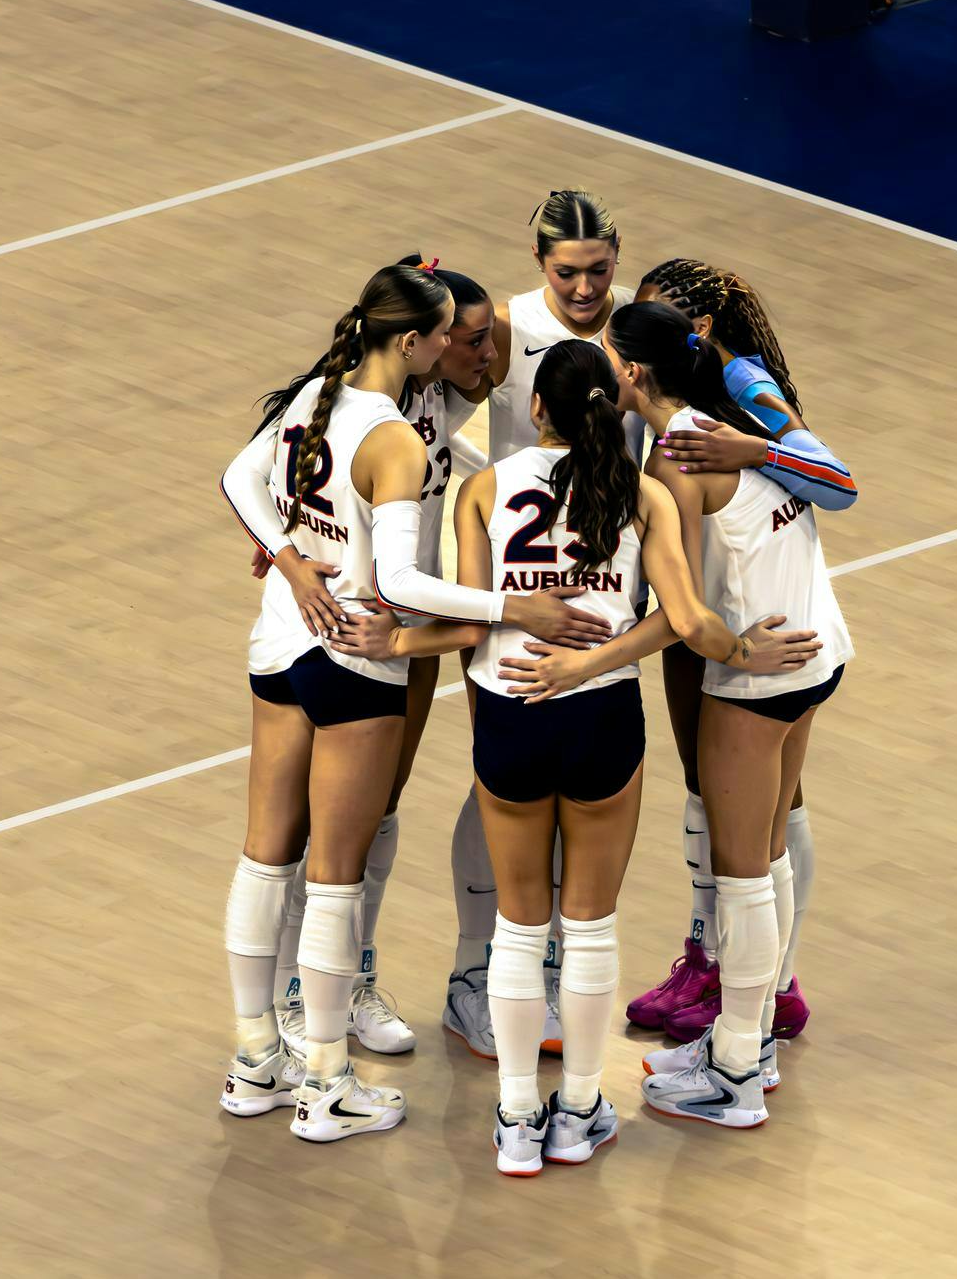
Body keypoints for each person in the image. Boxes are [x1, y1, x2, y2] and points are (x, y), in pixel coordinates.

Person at [335, 341, 821, 1170]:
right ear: (612, 408)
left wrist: (400, 639)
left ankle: (518, 1118)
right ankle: (582, 1110)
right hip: (602, 715)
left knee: (520, 927)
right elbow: (681, 619)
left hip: (509, 709)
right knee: (590, 926)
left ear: (537, 409)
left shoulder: (485, 489)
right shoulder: (643, 493)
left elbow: (474, 620)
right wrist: (726, 653)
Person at [215, 262, 607, 1141]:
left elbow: (239, 477)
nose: (469, 352)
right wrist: (512, 607)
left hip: (280, 641)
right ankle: (326, 1083)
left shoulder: (316, 394)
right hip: (360, 652)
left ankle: (254, 1061)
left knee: (263, 859)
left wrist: (288, 561)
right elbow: (395, 581)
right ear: (412, 339)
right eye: (449, 337)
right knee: (333, 876)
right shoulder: (392, 436)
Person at [500, 301, 853, 1127]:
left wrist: (589, 659)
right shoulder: (737, 414)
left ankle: (735, 1074)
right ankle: (750, 1042)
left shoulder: (676, 460)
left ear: (630, 372)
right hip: (818, 648)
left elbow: (684, 614)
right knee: (768, 858)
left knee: (742, 874)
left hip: (759, 672)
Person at [255, 259, 498, 1059]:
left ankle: (351, 978)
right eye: (467, 338)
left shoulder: (443, 395)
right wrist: (287, 551)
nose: (484, 354)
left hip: (411, 633)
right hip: (354, 631)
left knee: (378, 810)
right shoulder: (354, 402)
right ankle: (297, 993)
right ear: (419, 337)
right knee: (316, 830)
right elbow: (249, 473)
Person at [624, 260, 857, 1047]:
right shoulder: (675, 406)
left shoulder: (742, 385)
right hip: (725, 615)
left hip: (745, 632)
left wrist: (756, 449)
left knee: (758, 828)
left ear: (698, 330)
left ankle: (756, 997)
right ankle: (713, 959)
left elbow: (838, 483)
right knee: (713, 798)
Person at [445, 189, 642, 1062]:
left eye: (599, 270)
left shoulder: (634, 328)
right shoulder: (508, 326)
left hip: (605, 594)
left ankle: (545, 968)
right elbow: (430, 403)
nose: (586, 288)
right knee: (496, 782)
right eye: (568, 273)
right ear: (538, 264)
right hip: (511, 592)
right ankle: (473, 972)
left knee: (566, 793)